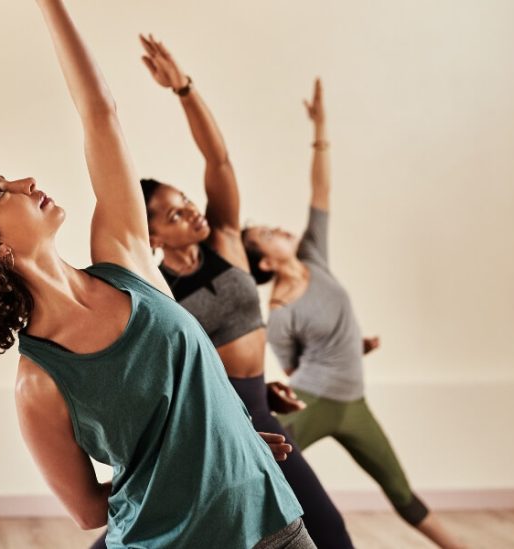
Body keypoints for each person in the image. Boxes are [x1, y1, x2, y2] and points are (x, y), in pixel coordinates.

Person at [0, 1, 311, 547]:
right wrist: (184, 466)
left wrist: (218, 444)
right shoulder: (40, 383)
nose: (26, 181)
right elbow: (88, 512)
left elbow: (100, 111)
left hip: (272, 522)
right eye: (0, 192)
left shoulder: (126, 257)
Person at [127, 34, 354, 549]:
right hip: (217, 423)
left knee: (327, 530)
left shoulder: (227, 240)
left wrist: (183, 88)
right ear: (153, 235)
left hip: (261, 407)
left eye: (186, 199)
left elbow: (219, 160)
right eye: (174, 212)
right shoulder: (159, 286)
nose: (192, 210)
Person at [241, 78, 465, 549]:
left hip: (355, 403)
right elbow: (295, 371)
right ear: (263, 261)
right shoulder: (278, 313)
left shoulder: (312, 256)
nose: (281, 229)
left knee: (401, 494)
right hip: (317, 402)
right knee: (259, 473)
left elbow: (320, 191)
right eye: (267, 233)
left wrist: (320, 128)